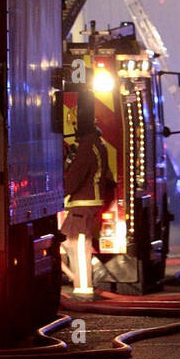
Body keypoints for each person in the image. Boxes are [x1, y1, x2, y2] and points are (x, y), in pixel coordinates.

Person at [62, 123, 113, 296]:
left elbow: (76, 176)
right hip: (87, 203)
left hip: (83, 204)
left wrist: (60, 191)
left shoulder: (87, 148)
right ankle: (96, 267)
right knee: (67, 242)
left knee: (79, 246)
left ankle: (83, 289)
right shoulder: (98, 145)